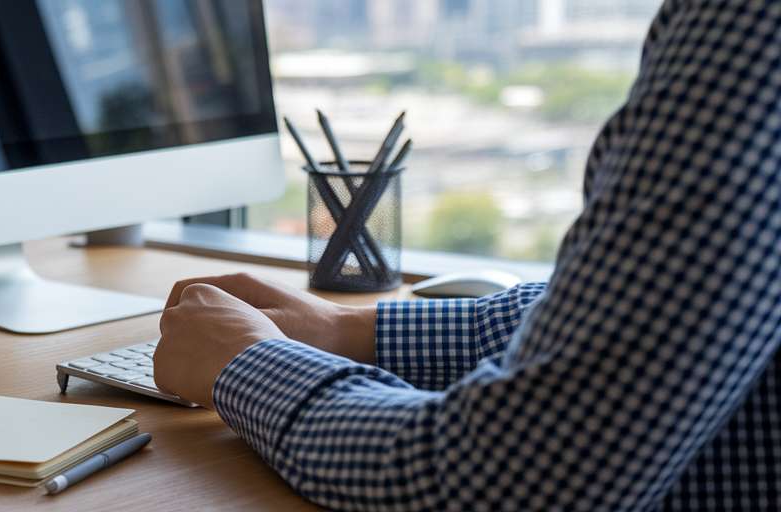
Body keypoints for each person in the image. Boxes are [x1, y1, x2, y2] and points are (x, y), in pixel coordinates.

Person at [152, 1, 780, 509]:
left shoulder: (747, 32)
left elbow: (514, 478)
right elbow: (645, 313)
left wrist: (250, 366)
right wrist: (347, 330)